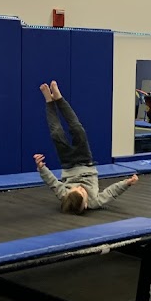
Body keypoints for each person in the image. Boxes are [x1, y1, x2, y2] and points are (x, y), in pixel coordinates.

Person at [35, 81, 138, 213]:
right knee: (78, 130)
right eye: (82, 192)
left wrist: (41, 168)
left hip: (68, 164)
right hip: (85, 161)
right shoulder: (94, 202)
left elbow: (52, 182)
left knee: (56, 134)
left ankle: (50, 101)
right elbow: (111, 193)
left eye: (76, 189)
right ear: (85, 205)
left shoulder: (64, 195)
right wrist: (126, 183)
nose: (80, 187)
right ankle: (59, 99)